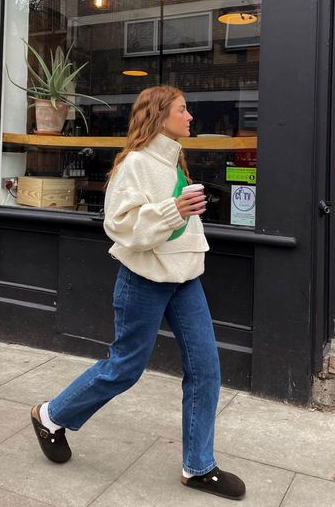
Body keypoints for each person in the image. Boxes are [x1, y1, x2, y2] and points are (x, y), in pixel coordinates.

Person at [31, 86, 246, 501]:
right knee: (125, 367)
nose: (190, 117)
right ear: (159, 114)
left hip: (185, 278)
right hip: (144, 278)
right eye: (183, 110)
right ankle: (51, 415)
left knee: (206, 370)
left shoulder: (175, 159)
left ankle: (198, 466)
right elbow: (118, 225)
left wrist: (185, 214)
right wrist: (174, 210)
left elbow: (178, 223)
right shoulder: (135, 163)